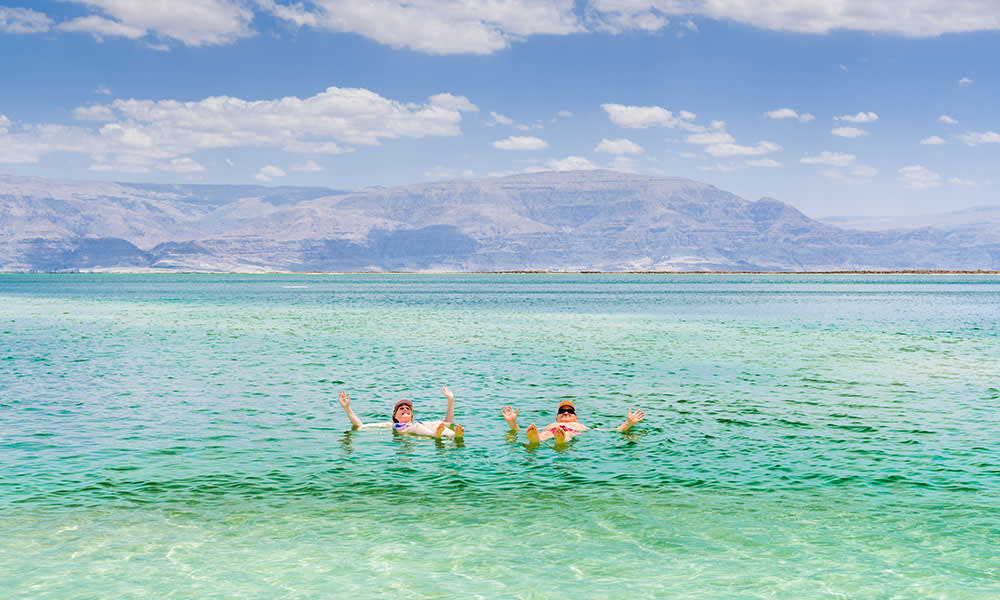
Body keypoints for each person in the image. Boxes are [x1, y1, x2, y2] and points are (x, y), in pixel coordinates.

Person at [337, 386, 465, 439]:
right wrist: (347, 409)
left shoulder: (417, 422)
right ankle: (436, 435)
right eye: (401, 408)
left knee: (438, 424)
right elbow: (360, 426)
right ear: (396, 416)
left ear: (411, 415)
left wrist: (451, 400)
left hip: (423, 432)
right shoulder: (391, 425)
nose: (405, 409)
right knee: (418, 426)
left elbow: (448, 422)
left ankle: (455, 436)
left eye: (408, 409)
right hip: (410, 434)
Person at [501, 400, 643, 445]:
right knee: (542, 434)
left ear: (576, 417)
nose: (566, 413)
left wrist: (628, 423)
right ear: (557, 417)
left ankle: (561, 440)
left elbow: (614, 431)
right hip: (551, 431)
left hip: (570, 432)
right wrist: (512, 422)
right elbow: (518, 430)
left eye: (570, 411)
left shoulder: (580, 426)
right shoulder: (551, 425)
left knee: (567, 435)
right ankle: (536, 440)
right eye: (562, 411)